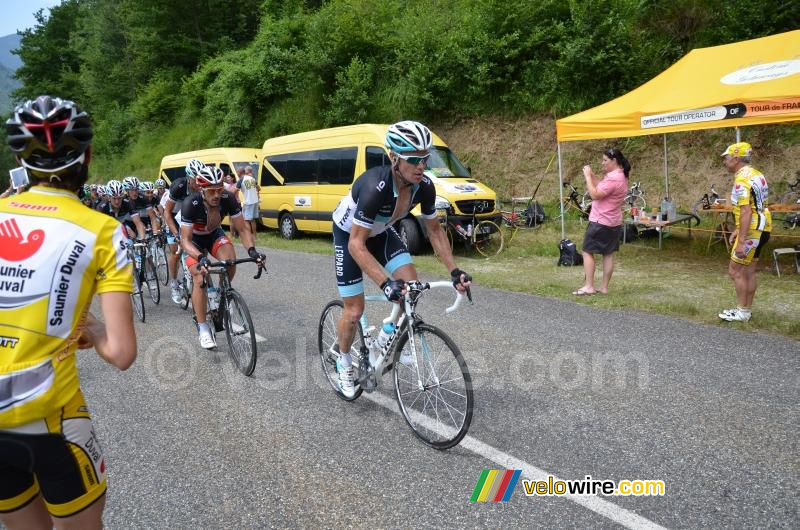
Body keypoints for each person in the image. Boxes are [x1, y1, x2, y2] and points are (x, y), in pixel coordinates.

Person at [1, 95, 137, 529]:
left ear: (21, 161)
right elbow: (121, 353)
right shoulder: (103, 231)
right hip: (50, 422)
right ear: (89, 157)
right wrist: (93, 329)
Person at [330, 120, 472, 398]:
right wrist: (385, 283)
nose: (422, 166)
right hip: (350, 236)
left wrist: (455, 271)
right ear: (394, 158)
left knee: (411, 286)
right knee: (355, 310)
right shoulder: (375, 186)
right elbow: (357, 245)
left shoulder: (425, 187)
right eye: (414, 160)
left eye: (425, 159)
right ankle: (343, 363)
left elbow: (434, 231)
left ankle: (386, 337)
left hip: (382, 231)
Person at [180, 166, 265, 349]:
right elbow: (184, 241)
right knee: (199, 277)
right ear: (202, 190)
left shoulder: (228, 198)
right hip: (193, 240)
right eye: (212, 190)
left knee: (230, 260)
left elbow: (242, 229)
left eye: (219, 188)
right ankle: (203, 328)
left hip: (213, 234)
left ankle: (220, 293)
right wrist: (199, 257)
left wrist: (252, 251)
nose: (217, 194)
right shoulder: (190, 203)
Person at [718, 142, 771, 322]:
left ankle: (741, 312)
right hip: (763, 226)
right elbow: (757, 205)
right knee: (749, 271)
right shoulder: (757, 174)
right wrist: (738, 229)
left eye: (726, 158)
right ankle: (745, 311)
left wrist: (741, 240)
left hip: (752, 230)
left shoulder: (741, 180)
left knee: (735, 271)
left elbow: (747, 211)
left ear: (736, 158)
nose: (724, 161)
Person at [573, 147, 630, 296]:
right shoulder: (621, 176)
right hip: (613, 221)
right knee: (608, 254)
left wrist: (586, 177)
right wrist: (592, 176)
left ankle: (589, 286)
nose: (602, 163)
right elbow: (602, 188)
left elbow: (595, 194)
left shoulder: (613, 178)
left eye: (605, 160)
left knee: (587, 251)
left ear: (614, 161)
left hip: (601, 221)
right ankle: (604, 288)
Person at [163, 159, 202, 304]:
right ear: (188, 177)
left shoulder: (202, 185)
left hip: (188, 220)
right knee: (176, 252)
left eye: (200, 179)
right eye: (195, 179)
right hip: (173, 218)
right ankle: (174, 283)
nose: (198, 182)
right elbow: (167, 212)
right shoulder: (178, 186)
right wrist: (175, 233)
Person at [239, 165, 260, 236]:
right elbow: (259, 188)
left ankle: (248, 235)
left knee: (246, 220)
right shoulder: (252, 179)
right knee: (253, 220)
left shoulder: (242, 179)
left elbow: (235, 190)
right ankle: (254, 235)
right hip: (255, 201)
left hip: (248, 201)